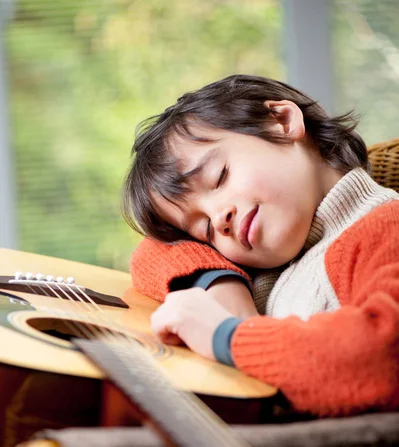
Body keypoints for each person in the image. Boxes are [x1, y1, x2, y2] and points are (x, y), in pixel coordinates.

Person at [123, 74, 399, 417]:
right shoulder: (265, 263)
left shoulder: (383, 228)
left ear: (282, 122)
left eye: (219, 177)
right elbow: (153, 250)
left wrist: (227, 335)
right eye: (205, 228)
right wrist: (222, 284)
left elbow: (382, 355)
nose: (219, 219)